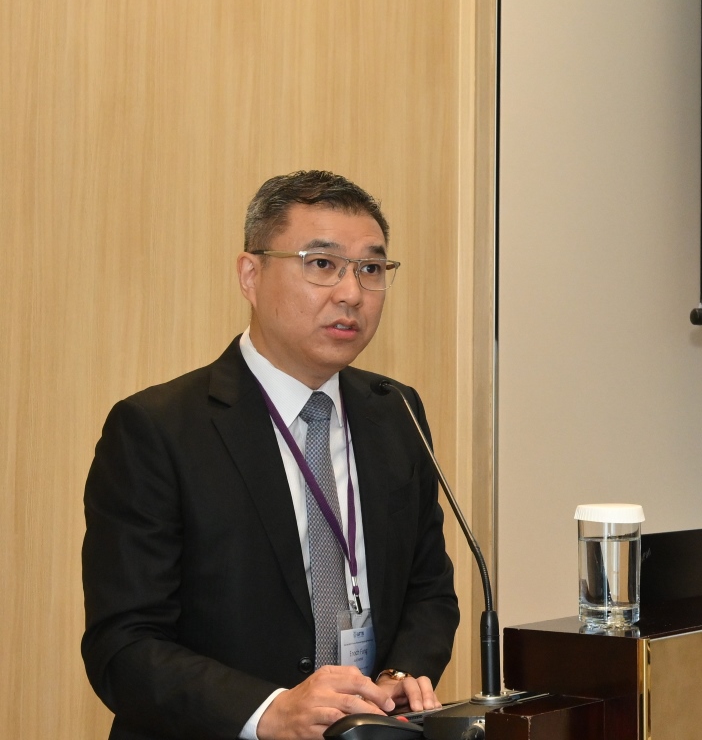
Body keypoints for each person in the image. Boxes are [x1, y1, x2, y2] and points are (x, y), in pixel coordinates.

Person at [82, 171, 458, 740]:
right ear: (251, 275)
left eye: (371, 269)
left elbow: (429, 589)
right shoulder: (157, 429)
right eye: (322, 263)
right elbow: (123, 646)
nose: (351, 293)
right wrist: (270, 711)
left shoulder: (395, 410)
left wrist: (399, 676)